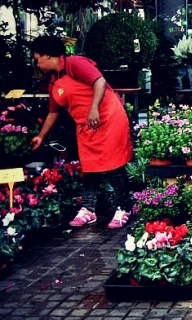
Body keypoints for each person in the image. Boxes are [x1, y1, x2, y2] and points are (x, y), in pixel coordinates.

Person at [29, 36, 132, 229]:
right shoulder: (54, 82)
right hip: (87, 126)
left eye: (37, 59)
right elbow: (53, 111)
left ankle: (123, 207)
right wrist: (41, 136)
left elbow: (99, 82)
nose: (37, 64)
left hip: (108, 117)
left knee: (113, 165)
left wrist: (93, 108)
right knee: (90, 166)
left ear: (47, 55)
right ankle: (88, 209)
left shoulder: (74, 63)